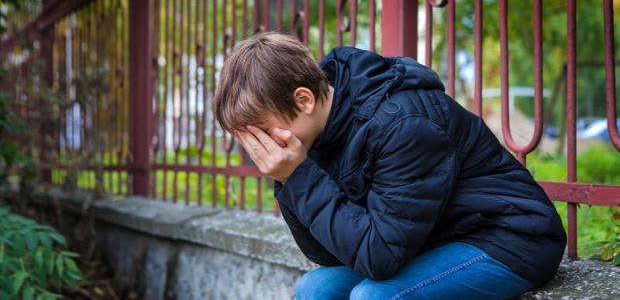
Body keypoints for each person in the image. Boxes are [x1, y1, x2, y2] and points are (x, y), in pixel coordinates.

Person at [213, 31, 567, 300]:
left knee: (374, 297)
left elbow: (378, 258)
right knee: (316, 288)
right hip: (432, 239)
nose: (257, 147)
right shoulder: (317, 132)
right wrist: (290, 179)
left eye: (260, 132)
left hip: (510, 239)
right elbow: (327, 254)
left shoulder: (402, 124)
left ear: (303, 100)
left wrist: (298, 177)